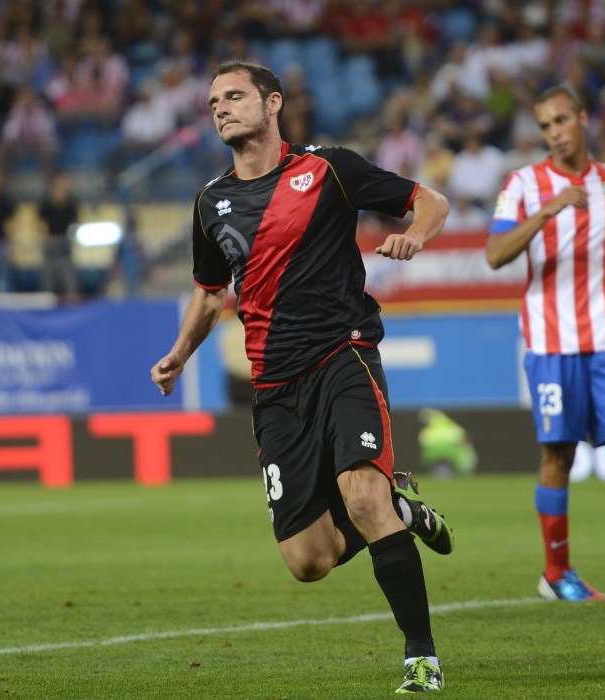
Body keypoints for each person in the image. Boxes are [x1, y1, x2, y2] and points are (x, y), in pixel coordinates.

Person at [150, 61, 454, 694]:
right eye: (213, 102)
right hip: (275, 386)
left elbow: (430, 201)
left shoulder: (329, 169)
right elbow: (210, 296)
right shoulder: (211, 201)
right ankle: (402, 508)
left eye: (234, 96)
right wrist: (180, 354)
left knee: (361, 496)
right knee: (308, 561)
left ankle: (421, 658)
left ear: (272, 103)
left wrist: (416, 236)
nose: (221, 108)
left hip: (342, 356)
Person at [485, 84, 605, 604]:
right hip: (551, 343)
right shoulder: (523, 184)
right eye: (546, 126)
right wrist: (545, 213)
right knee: (558, 455)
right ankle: (557, 573)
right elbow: (495, 253)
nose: (556, 133)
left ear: (583, 119)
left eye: (562, 121)